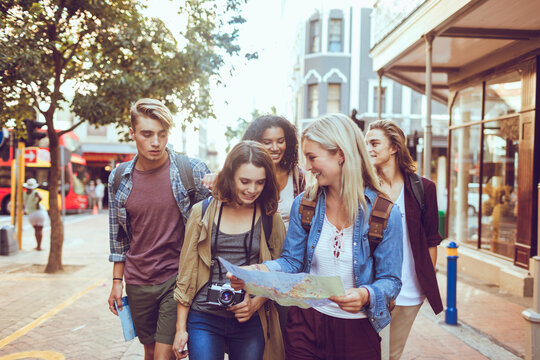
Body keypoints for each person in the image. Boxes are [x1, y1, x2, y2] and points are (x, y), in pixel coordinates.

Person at [229, 114, 403, 360]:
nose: (307, 167)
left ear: (340, 155)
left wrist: (365, 294)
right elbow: (291, 262)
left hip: (357, 332)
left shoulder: (385, 214)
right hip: (305, 325)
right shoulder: (305, 205)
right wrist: (258, 271)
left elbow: (391, 281)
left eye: (312, 157)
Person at [107, 98, 211, 360]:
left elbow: (217, 221)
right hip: (138, 281)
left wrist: (223, 182)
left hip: (175, 279)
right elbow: (119, 238)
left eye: (162, 134)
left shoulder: (192, 171)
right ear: (133, 134)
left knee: (165, 355)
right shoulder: (119, 177)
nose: (155, 142)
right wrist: (116, 282)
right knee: (150, 352)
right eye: (147, 134)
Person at [172, 141, 286, 360]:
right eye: (245, 181)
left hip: (249, 319)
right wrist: (180, 329)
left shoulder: (271, 218)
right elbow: (186, 273)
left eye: (260, 183)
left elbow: (280, 272)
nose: (252, 190)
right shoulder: (202, 212)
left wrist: (254, 304)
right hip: (204, 317)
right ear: (230, 175)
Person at [365, 120, 443, 360]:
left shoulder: (424, 188)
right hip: (372, 289)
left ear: (394, 147)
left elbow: (431, 241)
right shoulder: (363, 188)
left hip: (409, 292)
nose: (368, 148)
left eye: (375, 143)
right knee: (369, 352)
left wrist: (423, 282)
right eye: (366, 143)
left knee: (391, 355)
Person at [242, 115, 305, 229]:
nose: (275, 148)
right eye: (267, 142)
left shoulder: (299, 177)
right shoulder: (245, 177)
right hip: (257, 244)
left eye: (280, 141)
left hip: (290, 246)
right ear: (255, 143)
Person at [23, 178, 47, 251]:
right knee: (39, 230)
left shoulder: (24, 194)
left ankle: (38, 245)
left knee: (36, 230)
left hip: (31, 214)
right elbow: (40, 198)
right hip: (39, 212)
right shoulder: (35, 192)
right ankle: (39, 246)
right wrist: (37, 203)